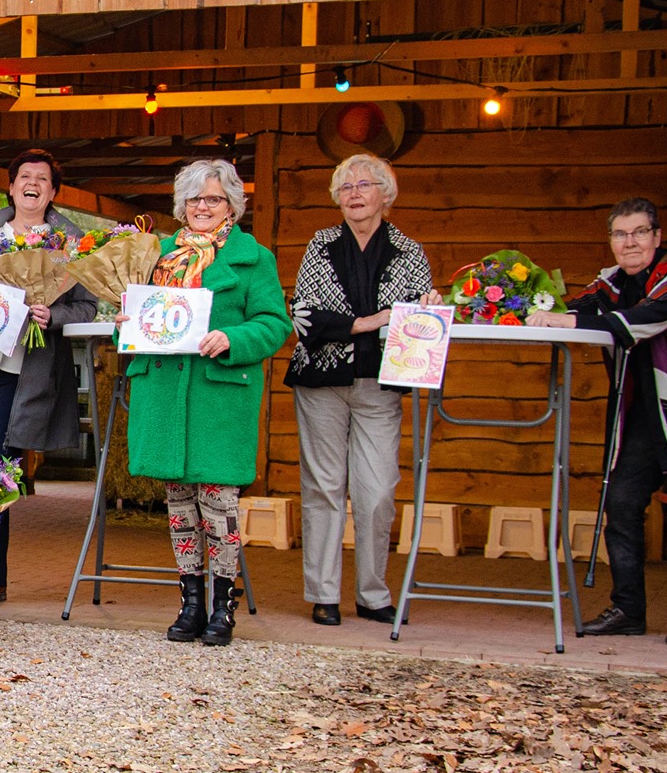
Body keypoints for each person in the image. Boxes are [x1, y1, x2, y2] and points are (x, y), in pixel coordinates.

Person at [532, 197, 667, 647]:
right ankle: (629, 610)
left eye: (639, 233)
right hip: (649, 418)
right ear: (611, 241)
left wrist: (568, 319)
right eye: (619, 234)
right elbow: (580, 308)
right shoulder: (610, 282)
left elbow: (640, 321)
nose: (629, 242)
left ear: (657, 237)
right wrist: (530, 311)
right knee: (623, 504)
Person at [120, 159, 291, 646]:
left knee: (218, 506)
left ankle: (223, 604)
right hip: (166, 395)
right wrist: (126, 320)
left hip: (219, 397)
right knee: (179, 504)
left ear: (232, 205)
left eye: (213, 199)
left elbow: (275, 324)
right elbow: (141, 319)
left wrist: (232, 337)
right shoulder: (157, 254)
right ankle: (190, 602)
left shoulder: (252, 257)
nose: (202, 207)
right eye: (194, 199)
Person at [284, 153, 440, 628]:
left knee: (376, 493)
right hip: (321, 381)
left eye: (364, 184)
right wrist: (373, 321)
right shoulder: (321, 244)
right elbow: (307, 317)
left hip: (379, 385)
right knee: (324, 488)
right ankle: (323, 593)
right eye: (345, 186)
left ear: (385, 195)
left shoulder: (410, 252)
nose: (354, 192)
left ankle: (373, 594)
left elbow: (414, 324)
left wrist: (422, 312)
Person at [0, 149, 97, 604]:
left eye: (42, 178)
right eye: (24, 176)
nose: (32, 183)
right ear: (10, 187)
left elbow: (87, 307)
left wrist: (52, 315)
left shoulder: (70, 241)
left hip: (22, 374)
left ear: (52, 191)